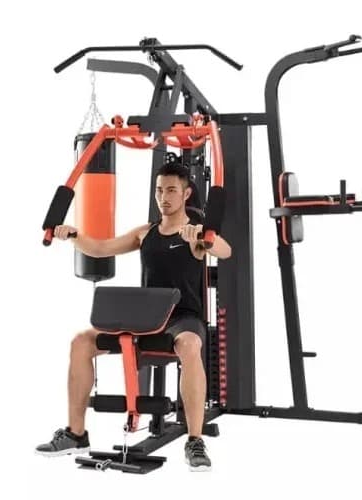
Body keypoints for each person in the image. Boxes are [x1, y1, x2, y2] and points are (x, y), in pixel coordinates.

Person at [36, 161, 232, 471]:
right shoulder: (145, 233)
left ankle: (195, 440)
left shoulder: (194, 234)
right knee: (81, 342)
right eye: (159, 190)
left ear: (186, 194)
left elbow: (224, 251)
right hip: (147, 317)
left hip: (182, 319)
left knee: (190, 345)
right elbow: (100, 249)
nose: (163, 197)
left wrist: (204, 236)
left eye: (171, 191)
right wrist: (73, 235)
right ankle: (76, 434)